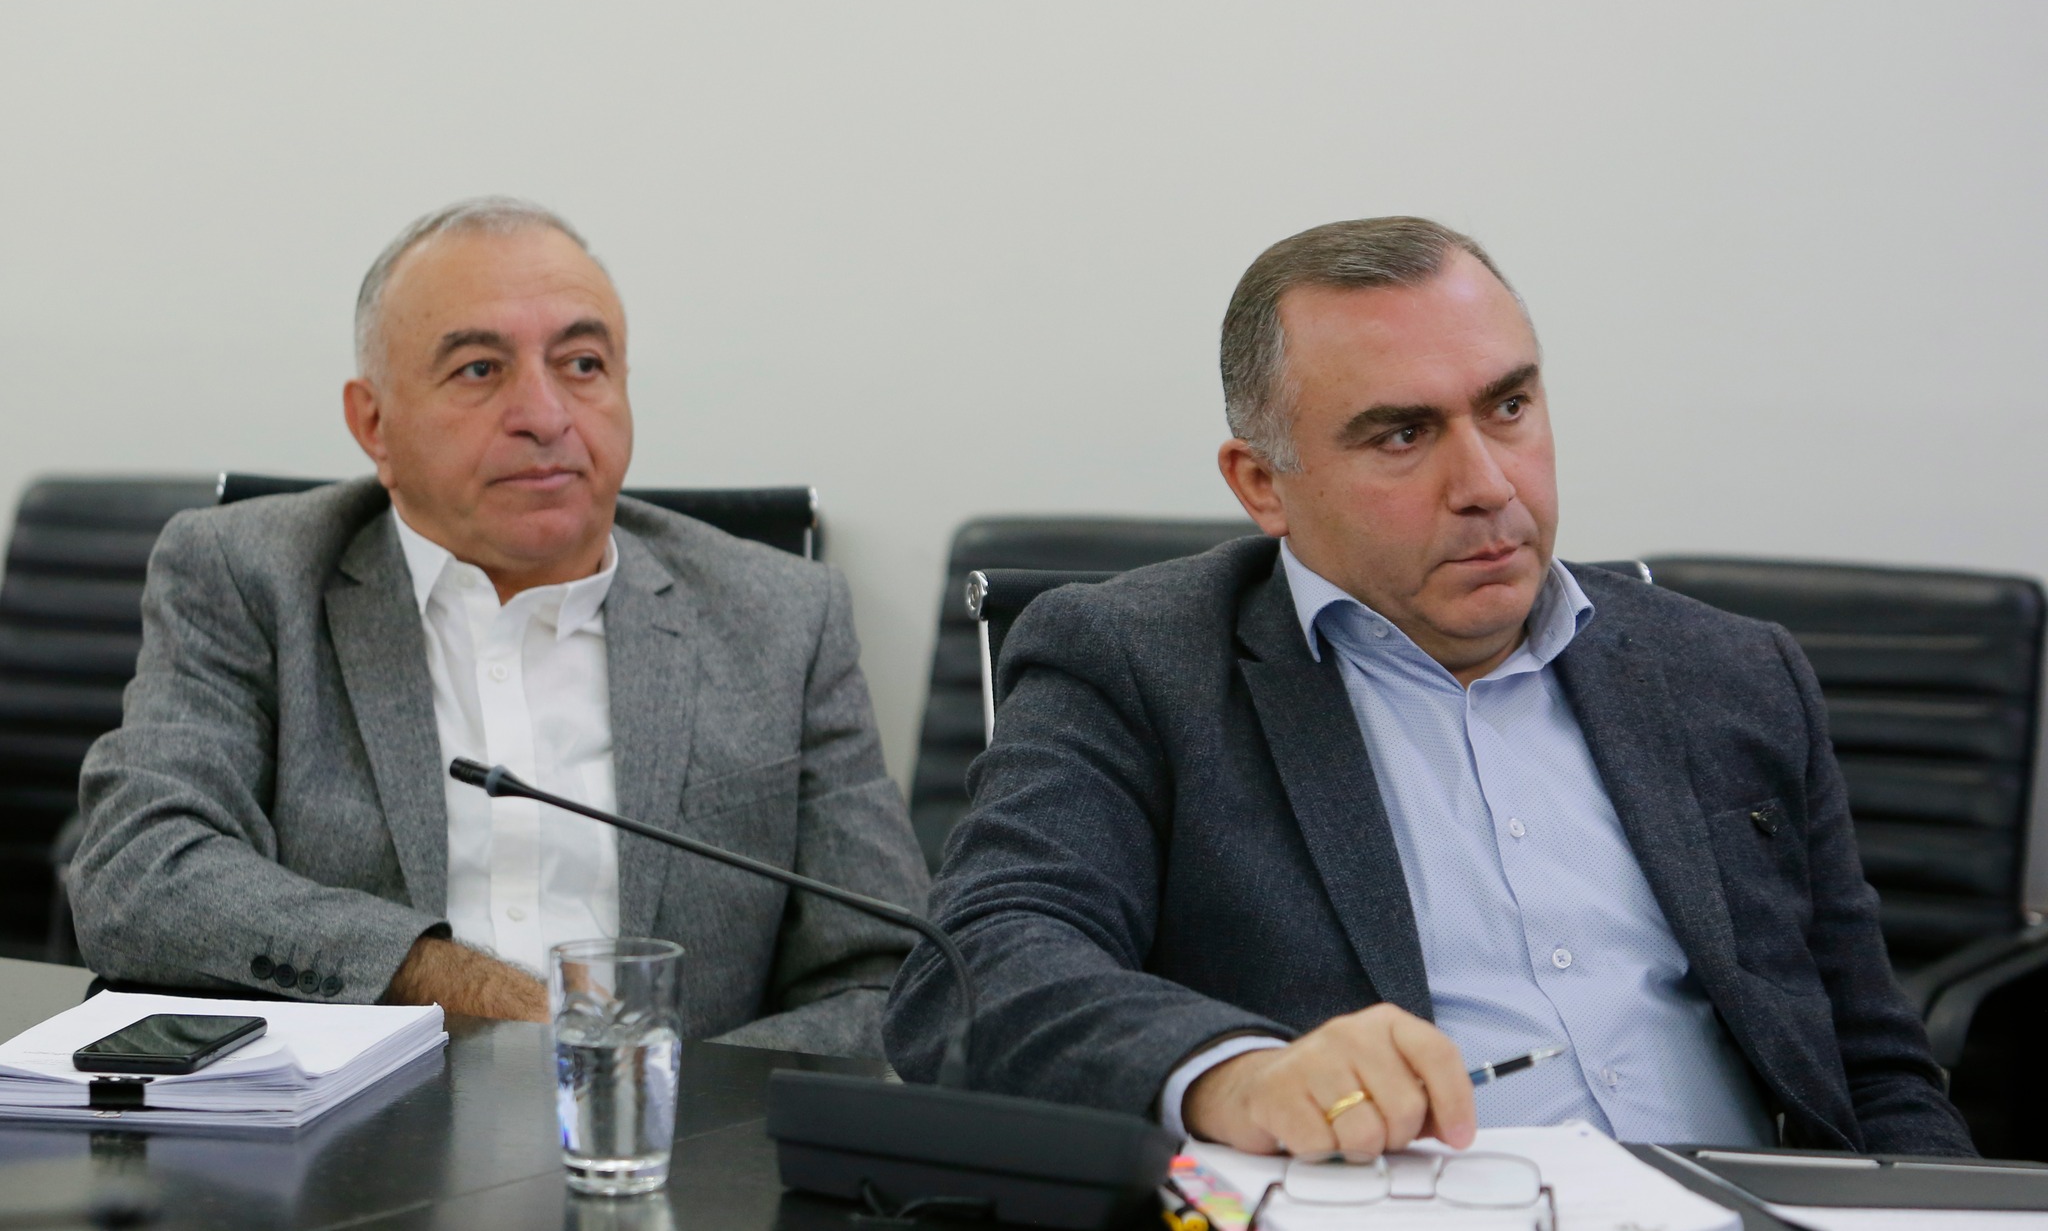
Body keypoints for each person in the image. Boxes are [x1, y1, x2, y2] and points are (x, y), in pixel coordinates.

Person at [885, 217, 1972, 1155]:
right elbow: (977, 969)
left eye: (1508, 407)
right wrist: (1236, 1075)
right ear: (1263, 484)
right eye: (1402, 435)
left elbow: (1877, 1070)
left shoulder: (1727, 671)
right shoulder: (1136, 663)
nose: (1486, 484)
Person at [71, 197, 928, 1057]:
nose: (545, 415)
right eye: (480, 369)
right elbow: (141, 867)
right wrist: (454, 983)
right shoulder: (248, 576)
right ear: (374, 423)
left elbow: (887, 977)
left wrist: (646, 1091)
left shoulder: (781, 616)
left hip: (681, 1133)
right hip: (355, 1127)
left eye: (583, 364)